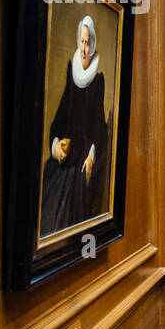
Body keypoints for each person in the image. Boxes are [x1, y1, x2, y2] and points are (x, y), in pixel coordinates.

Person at [40, 15, 109, 236]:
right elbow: (58, 121)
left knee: (73, 187)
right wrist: (55, 145)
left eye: (88, 43)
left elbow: (99, 128)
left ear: (93, 45)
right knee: (49, 174)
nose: (84, 48)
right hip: (66, 153)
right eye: (81, 42)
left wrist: (91, 155)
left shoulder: (98, 81)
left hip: (81, 156)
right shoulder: (72, 72)